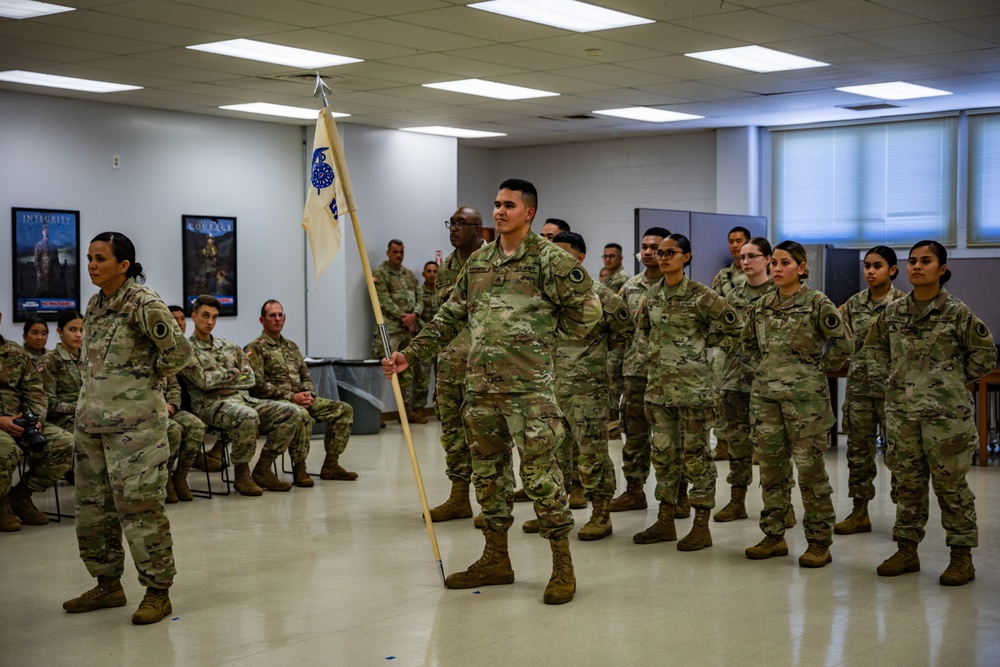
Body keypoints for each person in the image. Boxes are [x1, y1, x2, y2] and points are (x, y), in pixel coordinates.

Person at [382, 179, 601, 605]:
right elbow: (452, 315)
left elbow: (588, 311)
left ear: (529, 213)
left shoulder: (551, 261)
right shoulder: (480, 261)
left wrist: (544, 340)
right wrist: (412, 354)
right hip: (480, 391)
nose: (499, 211)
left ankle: (562, 565)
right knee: (489, 478)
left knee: (541, 481)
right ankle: (496, 558)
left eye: (508, 205)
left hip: (529, 394)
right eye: (497, 204)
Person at [62, 231, 193, 625]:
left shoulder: (144, 303)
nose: (91, 265)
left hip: (135, 428)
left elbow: (180, 353)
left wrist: (143, 380)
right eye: (88, 258)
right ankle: (108, 584)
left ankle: (158, 592)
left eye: (100, 259)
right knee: (93, 511)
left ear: (123, 265)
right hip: (91, 425)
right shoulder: (95, 304)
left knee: (139, 509)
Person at [868, 241, 996, 586]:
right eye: (912, 261)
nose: (917, 266)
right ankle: (907, 551)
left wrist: (949, 382)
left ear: (942, 269)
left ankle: (961, 557)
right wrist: (893, 381)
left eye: (926, 261)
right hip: (903, 415)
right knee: (907, 484)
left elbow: (985, 356)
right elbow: (874, 351)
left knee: (950, 486)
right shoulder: (892, 313)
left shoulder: (958, 313)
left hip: (946, 420)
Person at [742, 240, 852, 568]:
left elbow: (843, 343)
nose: (777, 268)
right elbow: (747, 344)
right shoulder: (761, 306)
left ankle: (819, 541)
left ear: (801, 268)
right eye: (773, 263)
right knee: (772, 471)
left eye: (785, 263)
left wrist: (815, 369)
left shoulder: (817, 303)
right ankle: (773, 536)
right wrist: (765, 370)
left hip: (806, 402)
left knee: (809, 472)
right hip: (766, 400)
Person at [632, 234, 741, 551]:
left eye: (670, 252)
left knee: (696, 459)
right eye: (658, 252)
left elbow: (735, 328)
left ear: (687, 257)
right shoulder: (651, 295)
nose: (662, 257)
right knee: (664, 457)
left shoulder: (701, 296)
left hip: (693, 391)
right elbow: (645, 331)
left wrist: (702, 349)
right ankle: (665, 521)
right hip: (659, 390)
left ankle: (700, 526)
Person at [180, 295, 311, 496]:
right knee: (246, 415)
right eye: (205, 316)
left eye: (214, 317)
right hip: (210, 405)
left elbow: (250, 378)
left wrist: (226, 378)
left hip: (242, 399)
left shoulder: (228, 346)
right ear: (194, 316)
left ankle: (263, 469)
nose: (210, 322)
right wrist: (234, 375)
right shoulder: (186, 350)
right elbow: (204, 382)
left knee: (291, 411)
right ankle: (242, 474)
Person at [552, 231, 633, 540]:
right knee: (554, 454)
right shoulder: (545, 295)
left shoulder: (601, 295)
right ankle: (555, 512)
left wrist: (595, 349)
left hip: (587, 390)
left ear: (580, 257)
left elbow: (625, 329)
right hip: (551, 388)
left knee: (592, 453)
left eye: (562, 253)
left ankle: (601, 513)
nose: (555, 259)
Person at [834, 246, 906, 535]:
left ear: (892, 270)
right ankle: (859, 512)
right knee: (858, 453)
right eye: (867, 266)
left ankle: (905, 517)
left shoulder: (903, 303)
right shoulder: (854, 304)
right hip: (860, 390)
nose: (870, 271)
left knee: (900, 454)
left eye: (877, 266)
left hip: (894, 392)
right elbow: (838, 336)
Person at [246, 299, 356, 484]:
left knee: (343, 409)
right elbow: (257, 385)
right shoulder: (255, 348)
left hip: (300, 398)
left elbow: (305, 375)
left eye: (281, 315)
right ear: (262, 320)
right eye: (272, 315)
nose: (277, 319)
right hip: (276, 402)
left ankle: (331, 465)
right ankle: (300, 469)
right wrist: (291, 397)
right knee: (302, 415)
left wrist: (308, 394)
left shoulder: (292, 347)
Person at [427, 207, 483, 523]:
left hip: (483, 361)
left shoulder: (495, 260)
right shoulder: (447, 264)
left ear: (479, 229)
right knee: (452, 431)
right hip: (451, 360)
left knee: (487, 433)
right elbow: (444, 308)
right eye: (452, 223)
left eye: (461, 223)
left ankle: (491, 504)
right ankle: (459, 497)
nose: (454, 229)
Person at [609, 227, 669, 513]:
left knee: (670, 437)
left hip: (670, 375)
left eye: (654, 247)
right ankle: (634, 490)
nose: (647, 252)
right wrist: (615, 377)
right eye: (643, 247)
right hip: (635, 372)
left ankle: (675, 495)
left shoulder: (680, 288)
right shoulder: (630, 287)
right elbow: (619, 332)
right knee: (634, 434)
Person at [714, 238, 774, 523]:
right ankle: (737, 500)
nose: (746, 261)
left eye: (752, 256)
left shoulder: (779, 294)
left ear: (768, 259)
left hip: (769, 385)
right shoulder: (734, 297)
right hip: (735, 380)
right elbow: (718, 332)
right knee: (737, 445)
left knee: (772, 449)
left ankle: (778, 506)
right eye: (742, 257)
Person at [0, 308, 75, 532]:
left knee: (67, 444)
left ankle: (21, 496)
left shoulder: (15, 354)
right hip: (2, 425)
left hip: (23, 421)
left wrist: (35, 420)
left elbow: (36, 392)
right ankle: (1, 504)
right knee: (5, 449)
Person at [372, 239, 424, 423]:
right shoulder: (380, 274)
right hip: (391, 331)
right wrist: (404, 317)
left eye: (401, 252)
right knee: (384, 370)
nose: (399, 255)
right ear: (388, 253)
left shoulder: (409, 274)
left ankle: (406, 411)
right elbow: (383, 301)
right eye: (395, 252)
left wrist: (415, 315)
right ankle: (375, 413)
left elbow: (420, 297)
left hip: (409, 330)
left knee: (407, 371)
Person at [711, 226, 751, 462]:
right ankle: (723, 443)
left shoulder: (758, 274)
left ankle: (754, 444)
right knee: (720, 395)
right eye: (731, 241)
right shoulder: (723, 275)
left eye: (739, 241)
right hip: (726, 346)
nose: (735, 245)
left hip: (750, 347)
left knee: (751, 397)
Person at [168, 305, 224, 475]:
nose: (179, 323)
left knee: (233, 406)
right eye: (174, 319)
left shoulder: (189, 347)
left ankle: (215, 452)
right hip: (182, 403)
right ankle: (191, 459)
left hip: (196, 398)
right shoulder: (165, 349)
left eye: (182, 319)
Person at [40, 311, 83, 433]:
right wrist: (79, 409)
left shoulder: (90, 358)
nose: (79, 335)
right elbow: (48, 401)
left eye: (82, 330)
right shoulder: (49, 361)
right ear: (60, 331)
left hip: (88, 415)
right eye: (72, 330)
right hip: (62, 419)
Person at [410, 261, 440, 420]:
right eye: (429, 271)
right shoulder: (419, 293)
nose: (432, 274)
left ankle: (441, 410)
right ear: (423, 274)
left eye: (435, 271)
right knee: (422, 377)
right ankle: (419, 408)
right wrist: (428, 332)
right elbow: (417, 316)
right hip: (425, 341)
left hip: (442, 341)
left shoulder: (442, 292)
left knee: (442, 377)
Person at [34, 224, 59, 296]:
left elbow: (56, 260)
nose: (45, 231)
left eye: (47, 229)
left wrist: (57, 272)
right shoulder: (39, 245)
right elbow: (37, 260)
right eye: (44, 230)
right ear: (42, 232)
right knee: (39, 291)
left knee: (52, 292)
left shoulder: (53, 245)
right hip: (42, 273)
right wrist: (38, 272)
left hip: (52, 273)